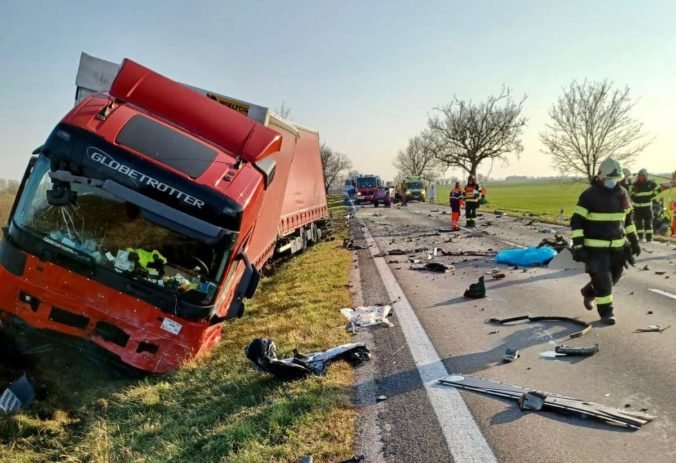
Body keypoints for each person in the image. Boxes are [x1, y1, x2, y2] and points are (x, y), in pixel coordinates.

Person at [570, 158, 641, 325]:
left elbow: (628, 220)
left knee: (614, 278)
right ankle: (606, 313)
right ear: (601, 177)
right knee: (604, 281)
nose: (612, 182)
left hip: (617, 248)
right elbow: (577, 221)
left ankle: (588, 291)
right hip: (595, 249)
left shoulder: (623, 193)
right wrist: (579, 246)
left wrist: (634, 241)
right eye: (609, 179)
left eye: (616, 179)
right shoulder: (589, 196)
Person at [630, 168, 662, 242]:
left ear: (645, 176)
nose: (641, 177)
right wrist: (633, 194)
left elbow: (659, 189)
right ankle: (640, 237)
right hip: (637, 207)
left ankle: (649, 238)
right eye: (640, 176)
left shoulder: (650, 183)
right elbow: (630, 193)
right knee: (639, 223)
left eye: (642, 176)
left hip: (647, 207)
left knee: (648, 222)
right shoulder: (635, 184)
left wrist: (651, 196)